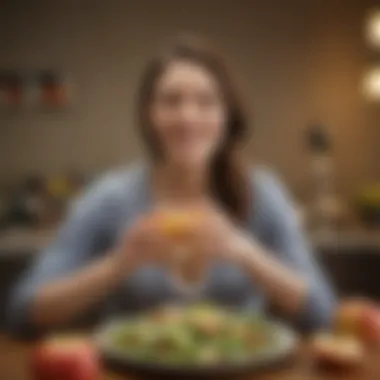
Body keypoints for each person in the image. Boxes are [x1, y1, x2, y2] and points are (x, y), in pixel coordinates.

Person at [7, 36, 335, 337]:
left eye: (206, 102)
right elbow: (21, 312)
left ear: (226, 115)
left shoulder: (262, 193)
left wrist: (244, 251)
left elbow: (323, 313)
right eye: (171, 101)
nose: (188, 116)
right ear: (150, 113)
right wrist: (120, 263)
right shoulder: (110, 197)